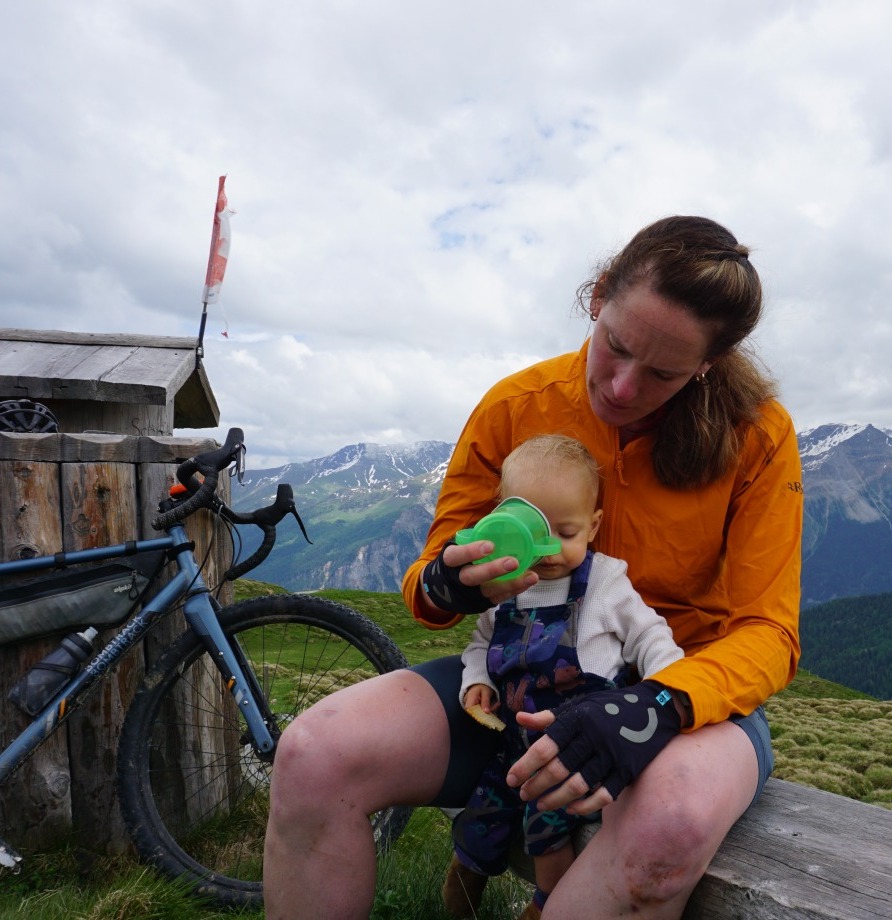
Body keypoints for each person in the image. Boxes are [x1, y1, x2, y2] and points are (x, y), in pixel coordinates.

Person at [263, 215, 802, 920]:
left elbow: (770, 632)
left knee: (667, 825)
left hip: (686, 696)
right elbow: (430, 583)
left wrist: (659, 705)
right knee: (313, 754)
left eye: (663, 374)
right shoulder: (517, 406)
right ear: (598, 296)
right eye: (616, 346)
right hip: (524, 668)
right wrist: (446, 580)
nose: (621, 386)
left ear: (707, 365)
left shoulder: (758, 437)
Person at [444, 434, 683, 920]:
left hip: (578, 744)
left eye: (567, 534)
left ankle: (547, 901)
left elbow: (649, 635)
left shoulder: (604, 582)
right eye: (536, 536)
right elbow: (480, 643)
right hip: (514, 740)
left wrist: (668, 687)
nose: (549, 551)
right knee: (482, 817)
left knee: (547, 824)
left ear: (594, 525)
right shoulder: (508, 582)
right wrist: (478, 681)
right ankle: (462, 887)